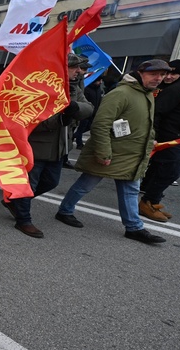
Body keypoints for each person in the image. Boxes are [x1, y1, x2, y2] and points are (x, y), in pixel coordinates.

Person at [55, 59, 170, 244]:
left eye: (162, 75)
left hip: (131, 154)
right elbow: (101, 124)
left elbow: (144, 123)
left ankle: (134, 227)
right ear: (140, 73)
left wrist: (150, 141)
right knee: (86, 184)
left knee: (130, 190)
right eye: (154, 74)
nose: (159, 78)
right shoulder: (121, 93)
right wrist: (103, 153)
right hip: (111, 152)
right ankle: (65, 211)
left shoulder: (146, 94)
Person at [3, 53, 93, 238]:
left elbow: (89, 107)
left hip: (60, 147)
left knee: (51, 181)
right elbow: (30, 119)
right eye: (74, 67)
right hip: (38, 146)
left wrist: (75, 107)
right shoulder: (38, 86)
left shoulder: (73, 87)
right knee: (29, 184)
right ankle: (23, 220)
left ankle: (14, 201)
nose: (79, 71)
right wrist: (61, 119)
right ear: (62, 68)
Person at [138, 58, 180, 221]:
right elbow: (157, 112)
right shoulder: (178, 89)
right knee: (170, 171)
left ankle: (153, 201)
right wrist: (155, 136)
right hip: (170, 138)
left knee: (170, 172)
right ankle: (147, 203)